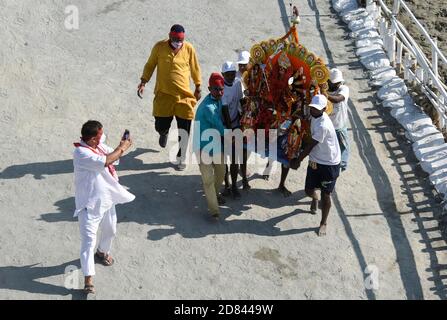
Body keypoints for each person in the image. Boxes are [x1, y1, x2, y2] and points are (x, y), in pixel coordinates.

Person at [73, 120, 135, 294]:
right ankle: (88, 280)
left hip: (106, 200)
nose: (102, 138)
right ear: (92, 138)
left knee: (111, 230)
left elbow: (113, 154)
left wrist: (122, 145)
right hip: (89, 206)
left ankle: (102, 252)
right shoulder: (81, 153)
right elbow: (108, 160)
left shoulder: (97, 145)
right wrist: (123, 147)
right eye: (100, 135)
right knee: (87, 243)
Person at [137, 24, 202, 170]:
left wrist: (198, 86)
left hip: (184, 97)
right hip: (163, 95)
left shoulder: (189, 48)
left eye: (180, 40)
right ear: (169, 36)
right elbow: (150, 65)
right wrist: (143, 82)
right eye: (175, 39)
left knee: (184, 130)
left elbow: (195, 68)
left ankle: (181, 158)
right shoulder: (159, 47)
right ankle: (163, 132)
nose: (178, 42)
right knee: (160, 124)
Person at [295, 95, 341, 236]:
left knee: (326, 195)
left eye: (316, 109)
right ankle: (315, 198)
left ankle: (323, 223)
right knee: (308, 189)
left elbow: (310, 146)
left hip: (329, 163)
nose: (313, 110)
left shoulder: (323, 125)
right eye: (312, 108)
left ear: (323, 109)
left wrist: (298, 160)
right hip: (316, 159)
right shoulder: (314, 117)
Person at [193, 73, 228, 219]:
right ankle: (214, 210)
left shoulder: (218, 100)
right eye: (216, 89)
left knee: (221, 172)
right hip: (203, 147)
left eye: (222, 89)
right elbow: (220, 128)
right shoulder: (208, 107)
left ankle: (214, 193)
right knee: (208, 179)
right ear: (209, 89)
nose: (220, 92)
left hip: (215, 144)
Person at [220, 61, 250, 199]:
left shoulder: (238, 83)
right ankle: (227, 184)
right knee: (225, 159)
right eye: (228, 74)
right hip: (225, 126)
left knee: (234, 159)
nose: (231, 76)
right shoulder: (222, 89)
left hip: (236, 124)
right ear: (223, 74)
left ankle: (234, 186)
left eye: (232, 73)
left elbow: (242, 101)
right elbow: (225, 112)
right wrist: (231, 132)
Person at [327, 68, 350, 171]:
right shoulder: (324, 89)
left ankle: (340, 167)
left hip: (339, 127)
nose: (337, 84)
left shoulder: (343, 88)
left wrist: (324, 94)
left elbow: (338, 99)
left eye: (338, 82)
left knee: (342, 148)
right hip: (327, 128)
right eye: (334, 83)